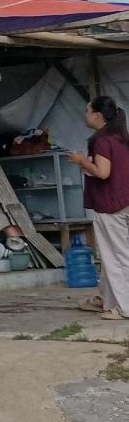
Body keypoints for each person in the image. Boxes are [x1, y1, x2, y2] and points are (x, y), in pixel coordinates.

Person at [69, 96, 129, 321]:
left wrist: (80, 161)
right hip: (124, 200)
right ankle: (107, 299)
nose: (85, 114)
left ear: (98, 115)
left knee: (116, 257)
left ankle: (123, 307)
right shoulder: (122, 138)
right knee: (114, 255)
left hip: (109, 203)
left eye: (88, 110)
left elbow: (103, 173)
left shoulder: (102, 141)